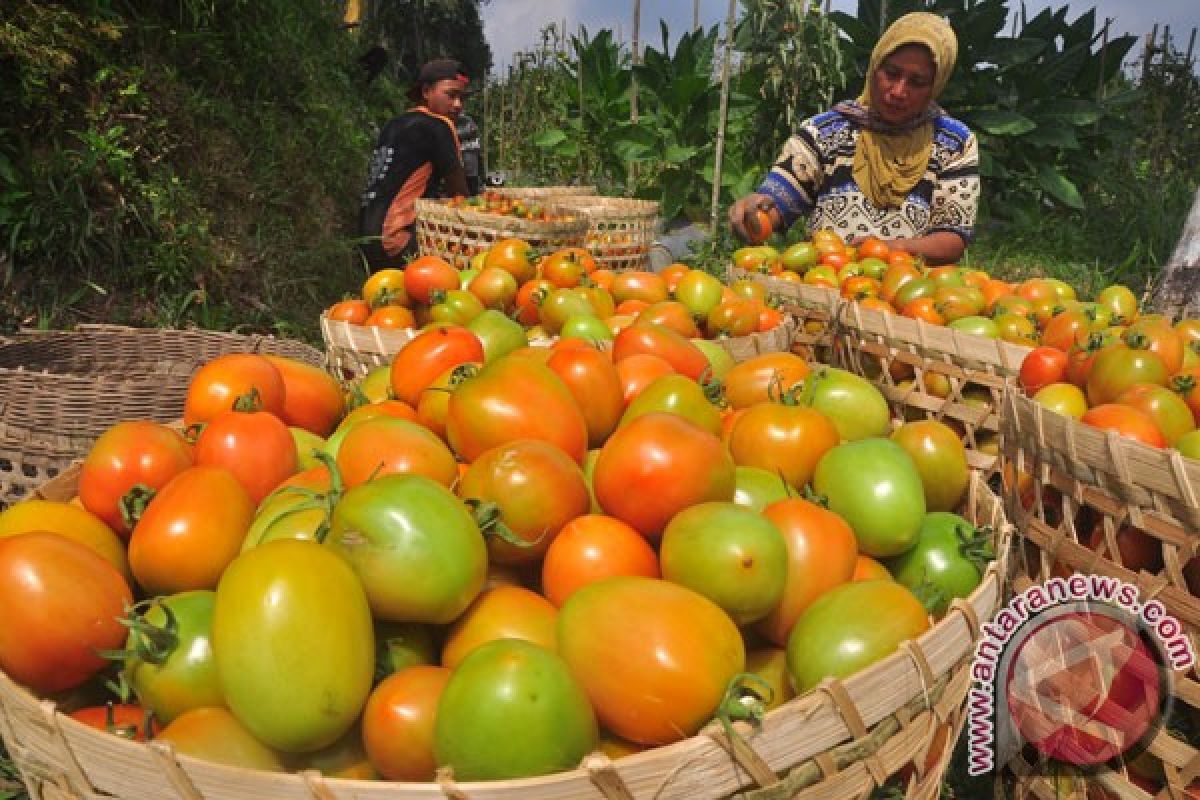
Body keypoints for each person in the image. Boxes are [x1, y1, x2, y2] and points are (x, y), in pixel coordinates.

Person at [730, 12, 978, 265]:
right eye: (891, 73)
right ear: (874, 67)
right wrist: (756, 214)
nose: (898, 91)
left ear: (936, 85)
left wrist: (888, 250)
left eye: (917, 82)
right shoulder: (824, 132)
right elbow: (782, 197)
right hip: (824, 284)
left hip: (909, 293)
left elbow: (953, 237)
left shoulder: (954, 143)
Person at [358, 58, 472, 271]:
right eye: (451, 95)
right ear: (426, 92)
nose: (458, 105)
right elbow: (460, 196)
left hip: (366, 240)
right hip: (398, 242)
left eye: (462, 97)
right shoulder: (440, 125)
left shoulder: (394, 124)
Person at [456, 113, 484, 196]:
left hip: (469, 150)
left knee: (471, 175)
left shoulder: (466, 120)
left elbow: (472, 130)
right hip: (456, 151)